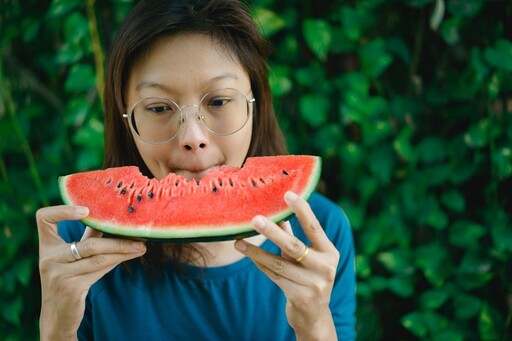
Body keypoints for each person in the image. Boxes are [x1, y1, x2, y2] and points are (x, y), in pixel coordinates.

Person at [36, 0, 356, 339]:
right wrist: (57, 327)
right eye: (158, 107)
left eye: (218, 101)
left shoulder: (322, 232)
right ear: (126, 119)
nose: (193, 138)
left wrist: (314, 324)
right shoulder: (80, 242)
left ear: (256, 104)